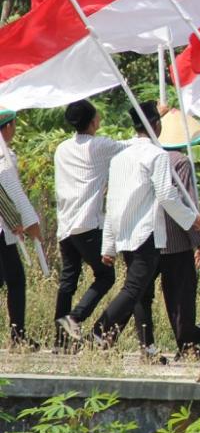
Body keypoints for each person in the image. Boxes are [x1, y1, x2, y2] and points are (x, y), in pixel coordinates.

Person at [90, 102, 200, 360]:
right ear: (156, 126)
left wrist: (108, 245)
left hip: (125, 235)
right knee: (134, 291)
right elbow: (167, 196)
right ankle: (98, 332)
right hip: (147, 234)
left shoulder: (120, 156)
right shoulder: (157, 155)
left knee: (139, 294)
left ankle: (147, 348)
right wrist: (193, 220)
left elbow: (113, 202)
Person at [54, 100, 125, 347]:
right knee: (106, 276)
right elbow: (130, 148)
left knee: (68, 281)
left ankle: (61, 341)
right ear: (93, 121)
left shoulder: (61, 148)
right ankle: (74, 319)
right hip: (88, 223)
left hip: (65, 224)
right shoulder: (99, 146)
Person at [157, 109, 200, 357]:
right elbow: (187, 201)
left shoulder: (152, 157)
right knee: (183, 294)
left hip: (153, 238)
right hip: (177, 238)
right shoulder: (180, 161)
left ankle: (183, 342)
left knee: (169, 293)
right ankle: (188, 343)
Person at [0, 108, 43, 349]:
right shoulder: (5, 157)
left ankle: (18, 335)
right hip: (3, 229)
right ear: (7, 127)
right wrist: (29, 223)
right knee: (16, 281)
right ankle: (18, 336)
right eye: (14, 125)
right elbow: (13, 193)